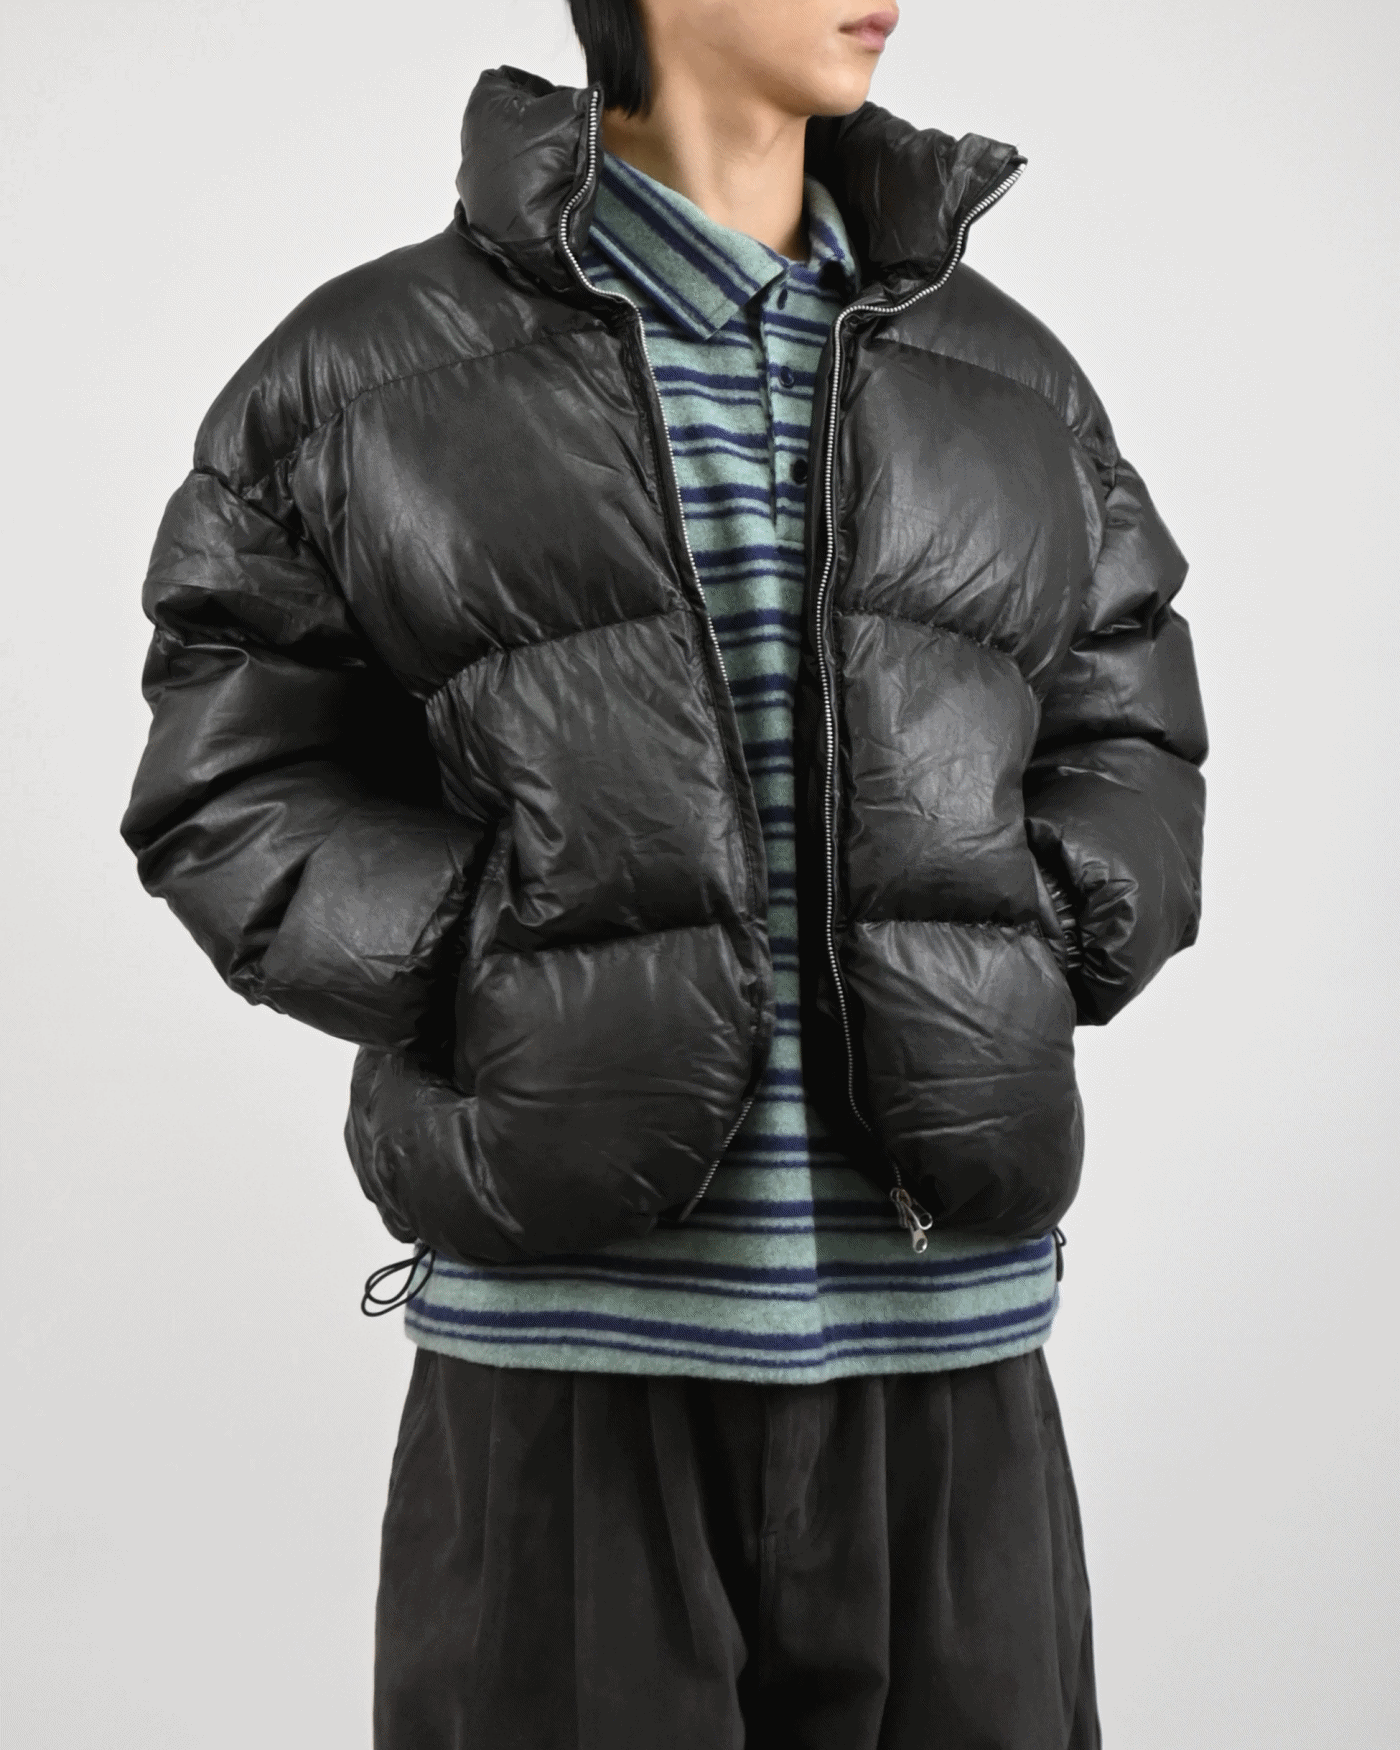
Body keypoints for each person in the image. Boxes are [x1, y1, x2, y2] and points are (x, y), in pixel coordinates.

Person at [121, 0, 1207, 1742]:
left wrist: (1023, 935)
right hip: (568, 1369)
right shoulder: (366, 373)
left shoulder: (1012, 379)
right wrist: (492, 960)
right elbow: (229, 778)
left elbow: (1131, 730)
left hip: (950, 1363)